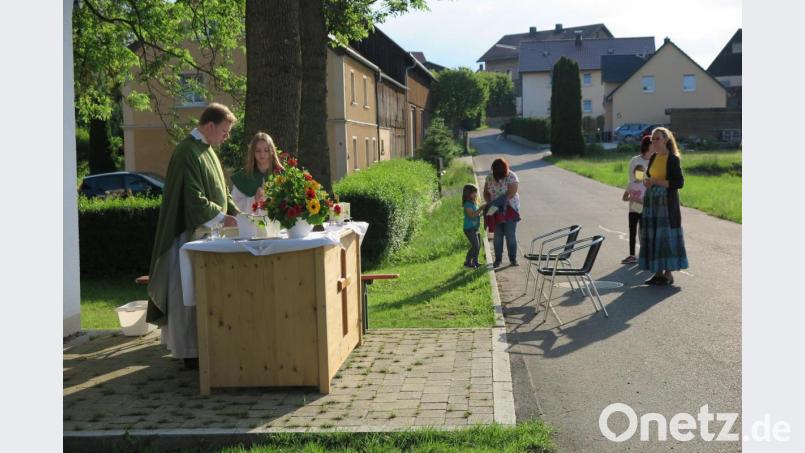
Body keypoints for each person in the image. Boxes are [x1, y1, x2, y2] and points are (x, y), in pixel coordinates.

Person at [147, 102, 240, 369]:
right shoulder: (187, 151)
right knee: (187, 294)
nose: (226, 137)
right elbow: (193, 198)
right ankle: (189, 351)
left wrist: (236, 212)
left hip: (207, 233)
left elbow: (221, 190)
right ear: (209, 126)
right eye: (224, 131)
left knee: (204, 293)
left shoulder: (207, 150)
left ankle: (204, 347)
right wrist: (223, 218)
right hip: (188, 235)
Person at [639, 127, 688, 285]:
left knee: (665, 237)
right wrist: (647, 181)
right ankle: (658, 273)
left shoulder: (672, 159)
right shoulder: (654, 157)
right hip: (652, 204)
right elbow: (650, 176)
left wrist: (656, 181)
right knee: (654, 236)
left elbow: (679, 183)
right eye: (652, 139)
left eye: (657, 138)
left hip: (666, 205)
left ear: (666, 140)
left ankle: (668, 274)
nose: (654, 141)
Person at [230, 132, 284, 213]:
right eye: (258, 151)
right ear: (253, 152)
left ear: (272, 151)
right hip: (250, 220)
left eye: (266, 150)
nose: (262, 154)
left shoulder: (281, 174)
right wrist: (253, 199)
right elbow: (235, 206)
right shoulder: (243, 177)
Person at [483, 157, 521, 267]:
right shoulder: (489, 177)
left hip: (510, 209)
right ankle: (498, 260)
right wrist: (490, 203)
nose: (498, 176)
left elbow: (511, 193)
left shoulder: (511, 176)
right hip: (495, 210)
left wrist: (497, 203)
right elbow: (486, 193)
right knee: (498, 235)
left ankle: (513, 259)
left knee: (510, 235)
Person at [621, 164, 646, 264]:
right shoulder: (630, 184)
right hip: (632, 211)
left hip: (643, 211)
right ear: (634, 173)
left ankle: (644, 254)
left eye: (641, 172)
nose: (639, 174)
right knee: (632, 233)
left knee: (643, 233)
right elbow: (624, 198)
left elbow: (649, 201)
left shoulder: (646, 185)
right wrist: (631, 198)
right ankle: (632, 255)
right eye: (637, 172)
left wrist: (640, 201)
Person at [462, 184, 485, 269]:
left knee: (478, 246)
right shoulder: (467, 205)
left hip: (475, 228)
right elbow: (472, 215)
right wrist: (480, 209)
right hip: (469, 229)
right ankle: (467, 262)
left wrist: (484, 212)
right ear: (468, 194)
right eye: (473, 193)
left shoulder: (473, 203)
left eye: (476, 192)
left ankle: (475, 262)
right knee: (475, 245)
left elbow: (476, 215)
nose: (476, 194)